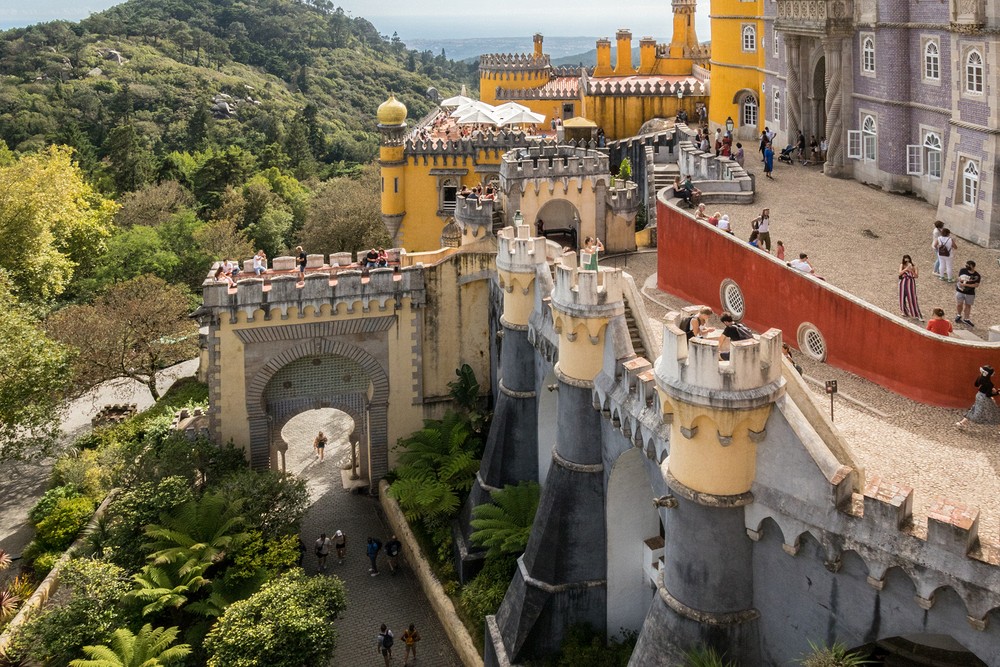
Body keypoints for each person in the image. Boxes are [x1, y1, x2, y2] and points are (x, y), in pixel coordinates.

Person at [955, 260, 981, 327]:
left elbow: (976, 285)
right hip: (960, 291)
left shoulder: (977, 275)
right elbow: (959, 277)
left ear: (973, 266)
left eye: (968, 265)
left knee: (968, 305)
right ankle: (958, 315)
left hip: (970, 293)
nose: (967, 266)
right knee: (959, 304)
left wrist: (966, 285)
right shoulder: (963, 270)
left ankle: (966, 318)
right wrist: (960, 281)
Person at [898, 255, 923, 321]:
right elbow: (899, 273)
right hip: (903, 282)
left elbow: (916, 276)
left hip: (911, 282)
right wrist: (906, 269)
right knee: (902, 297)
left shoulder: (914, 266)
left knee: (912, 298)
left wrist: (911, 270)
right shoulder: (902, 265)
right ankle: (904, 311)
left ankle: (916, 313)